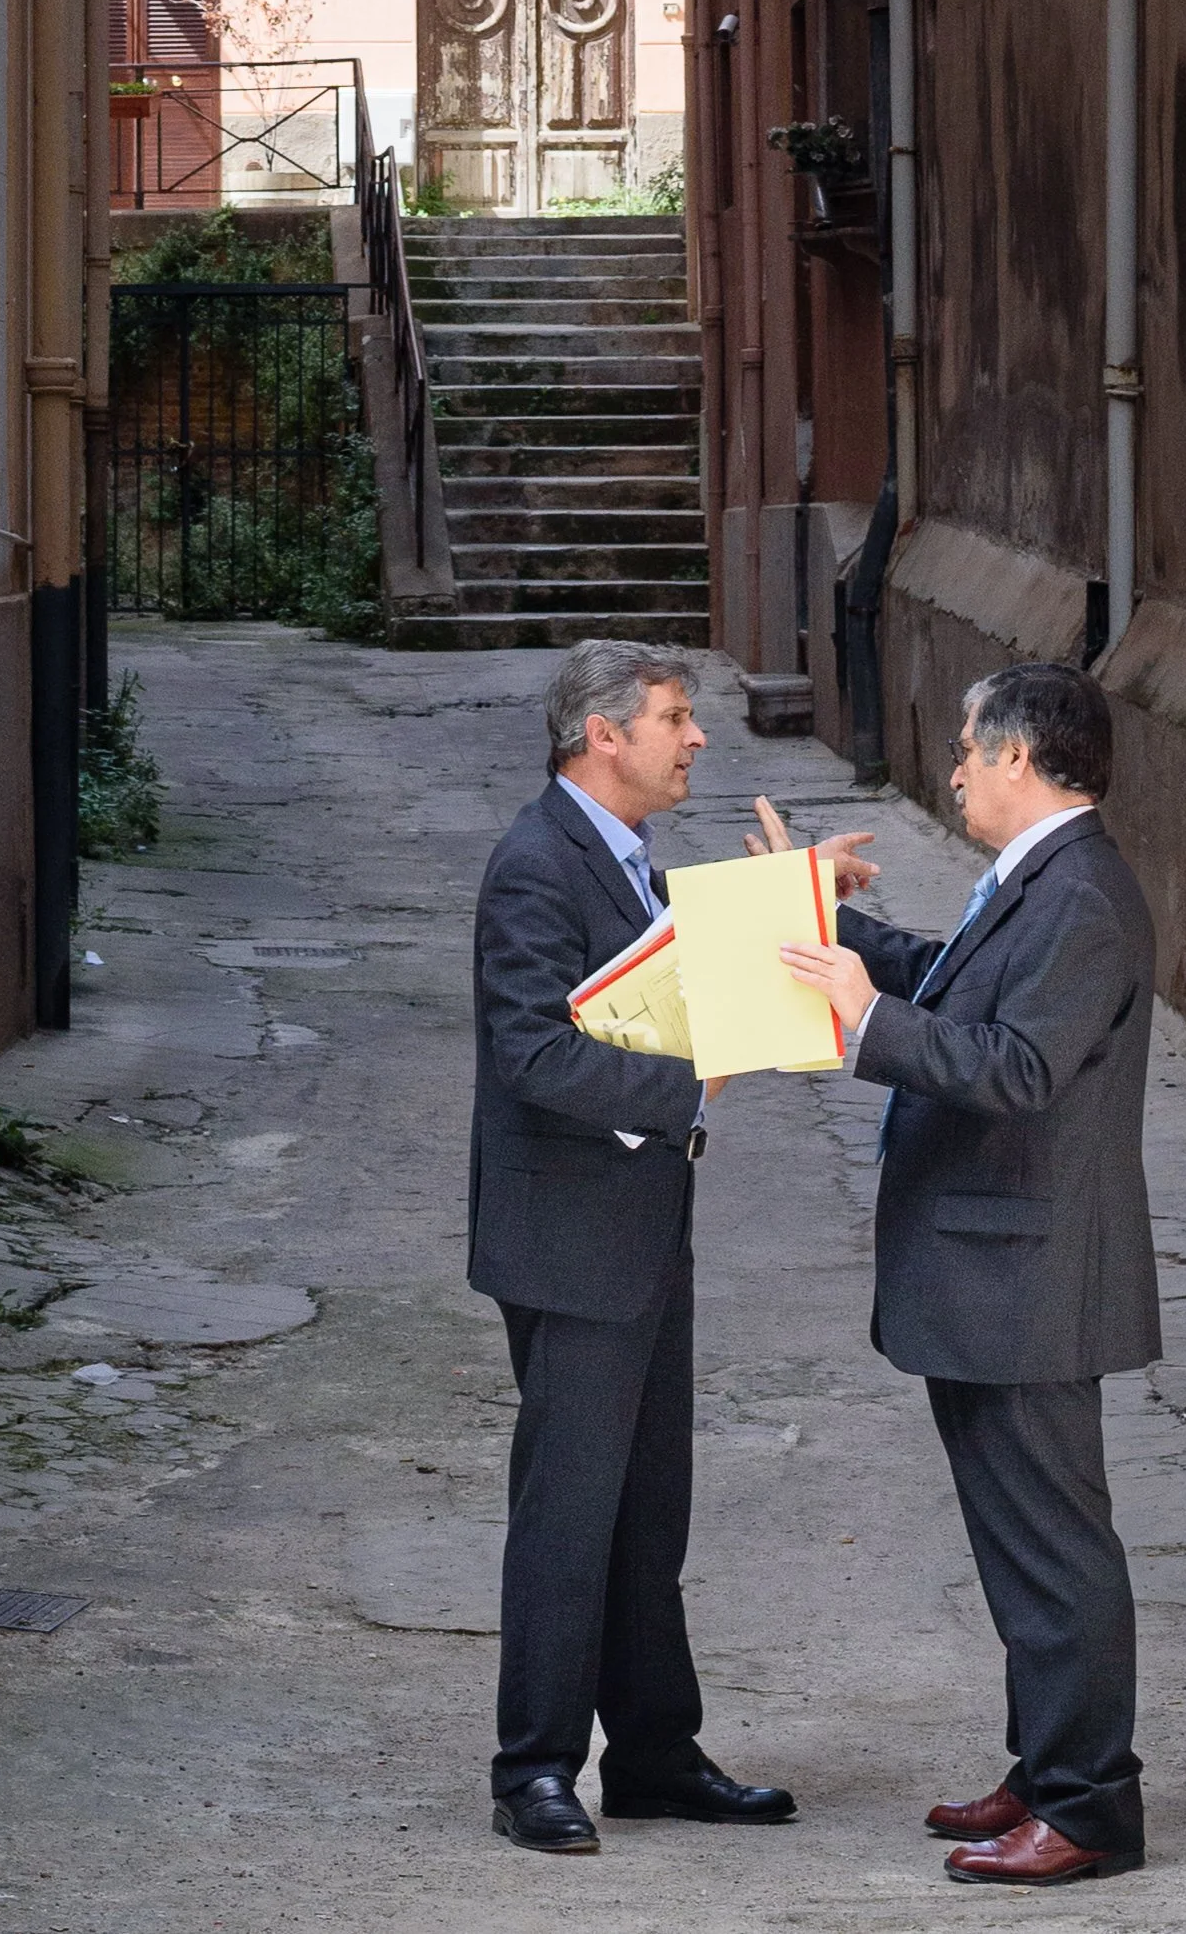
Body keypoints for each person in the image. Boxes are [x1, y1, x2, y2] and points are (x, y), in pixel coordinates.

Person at [771, 662, 1160, 1885]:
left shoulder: (1084, 893)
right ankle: (1047, 1765)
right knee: (1016, 1541)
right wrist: (828, 924)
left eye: (964, 745)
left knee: (1055, 1546)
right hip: (993, 1266)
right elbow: (956, 977)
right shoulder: (1042, 878)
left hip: (1031, 1275)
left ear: (1017, 758)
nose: (949, 766)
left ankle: (1091, 1804)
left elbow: (1018, 1066)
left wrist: (859, 1020)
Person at [469, 639, 797, 1855]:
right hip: (566, 1238)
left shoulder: (621, 853)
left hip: (640, 1225)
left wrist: (800, 900)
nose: (694, 736)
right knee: (568, 1509)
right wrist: (688, 1092)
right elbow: (532, 1054)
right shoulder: (533, 865)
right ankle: (535, 1768)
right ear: (601, 735)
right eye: (673, 716)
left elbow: (675, 973)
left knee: (649, 1505)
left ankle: (653, 1751)